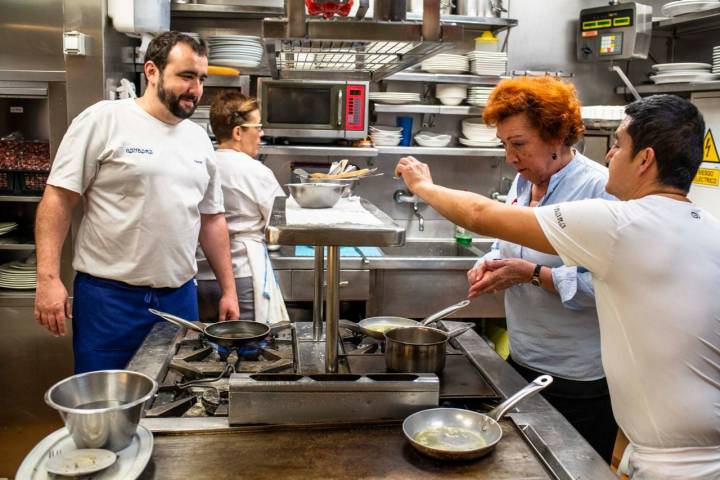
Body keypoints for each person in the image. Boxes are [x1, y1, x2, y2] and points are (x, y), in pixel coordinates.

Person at [395, 94, 720, 479]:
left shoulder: (620, 224)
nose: (609, 155)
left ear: (645, 159)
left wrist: (422, 185)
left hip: (676, 463)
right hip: (676, 446)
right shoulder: (708, 225)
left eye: (618, 144)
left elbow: (481, 215)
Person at [34, 31, 240, 374]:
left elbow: (211, 219)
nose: (196, 89)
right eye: (186, 76)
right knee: (105, 405)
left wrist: (228, 290)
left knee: (177, 396)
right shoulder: (104, 119)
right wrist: (47, 278)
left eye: (201, 78)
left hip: (179, 299)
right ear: (152, 71)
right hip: (109, 300)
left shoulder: (198, 139)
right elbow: (58, 198)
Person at [465, 76, 617, 462]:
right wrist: (489, 261)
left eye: (519, 144)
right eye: (504, 145)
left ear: (557, 135)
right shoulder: (524, 180)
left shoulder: (598, 189)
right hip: (523, 359)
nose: (511, 157)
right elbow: (506, 240)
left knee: (573, 468)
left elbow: (609, 287)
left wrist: (532, 274)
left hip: (576, 375)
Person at [195, 90, 289, 325]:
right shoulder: (257, 172)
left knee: (206, 350)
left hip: (200, 276)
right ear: (238, 132)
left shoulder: (201, 164)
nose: (261, 133)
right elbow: (281, 221)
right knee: (245, 347)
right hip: (241, 275)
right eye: (257, 127)